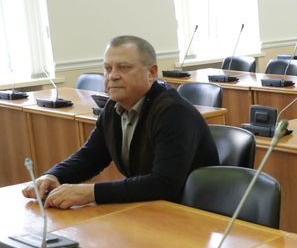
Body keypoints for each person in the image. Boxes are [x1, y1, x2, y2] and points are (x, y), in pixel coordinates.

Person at [22, 36, 219, 208]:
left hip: (189, 211)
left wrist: (91, 193)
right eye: (108, 68)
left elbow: (164, 184)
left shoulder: (173, 112)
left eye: (124, 68)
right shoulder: (113, 107)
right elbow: (91, 156)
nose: (113, 76)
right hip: (149, 207)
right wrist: (53, 176)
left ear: (151, 73)